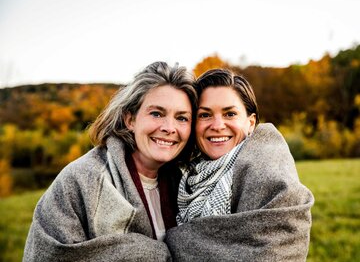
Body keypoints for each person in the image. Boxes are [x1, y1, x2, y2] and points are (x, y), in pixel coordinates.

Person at [23, 61, 197, 262]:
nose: (169, 127)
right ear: (130, 119)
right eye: (156, 113)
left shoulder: (188, 186)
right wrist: (151, 254)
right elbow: (50, 255)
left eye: (182, 118)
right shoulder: (81, 179)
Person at [165, 69, 314, 261]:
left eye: (229, 114)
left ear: (251, 123)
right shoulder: (184, 176)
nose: (217, 125)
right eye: (205, 115)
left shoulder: (265, 171)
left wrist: (172, 245)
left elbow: (273, 252)